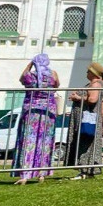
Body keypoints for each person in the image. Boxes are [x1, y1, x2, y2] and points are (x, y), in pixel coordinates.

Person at [12, 53, 59, 184]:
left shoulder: (30, 76)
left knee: (28, 141)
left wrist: (30, 64)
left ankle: (25, 174)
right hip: (48, 112)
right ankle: (42, 173)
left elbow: (21, 79)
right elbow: (57, 85)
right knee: (45, 141)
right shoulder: (52, 74)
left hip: (31, 112)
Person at [65, 62, 103, 179]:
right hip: (89, 119)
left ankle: (85, 171)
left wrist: (77, 98)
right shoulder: (93, 84)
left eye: (88, 71)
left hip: (89, 120)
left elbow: (92, 99)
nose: (86, 73)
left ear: (93, 73)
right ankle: (87, 171)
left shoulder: (96, 84)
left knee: (85, 144)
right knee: (86, 143)